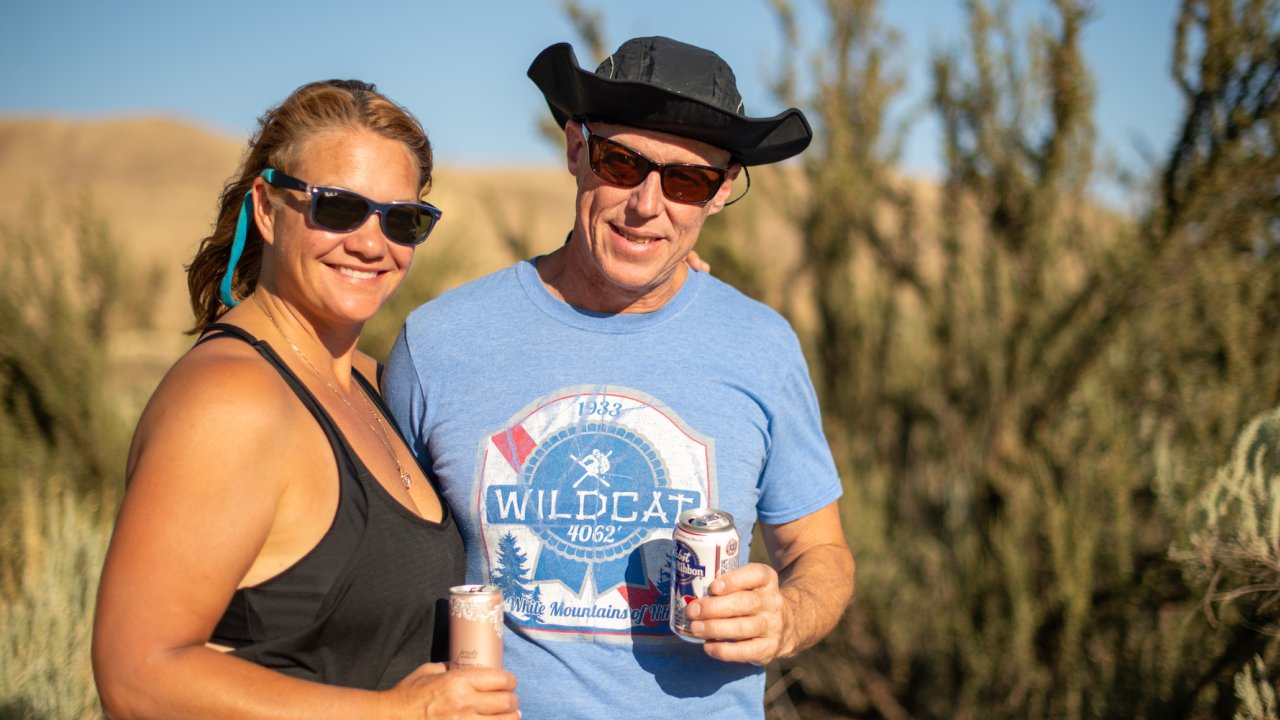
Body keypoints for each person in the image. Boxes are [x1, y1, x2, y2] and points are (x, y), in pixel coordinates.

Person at [382, 37, 855, 719]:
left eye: (687, 181)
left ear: (720, 193)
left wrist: (787, 616)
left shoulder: (759, 347)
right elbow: (373, 564)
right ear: (576, 150)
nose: (646, 205)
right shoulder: (441, 342)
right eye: (622, 162)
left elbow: (822, 552)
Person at [92, 79, 519, 719]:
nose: (372, 244)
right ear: (266, 208)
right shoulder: (231, 400)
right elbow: (137, 677)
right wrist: (400, 714)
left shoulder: (381, 385)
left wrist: (663, 290)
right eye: (339, 208)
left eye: (402, 219)